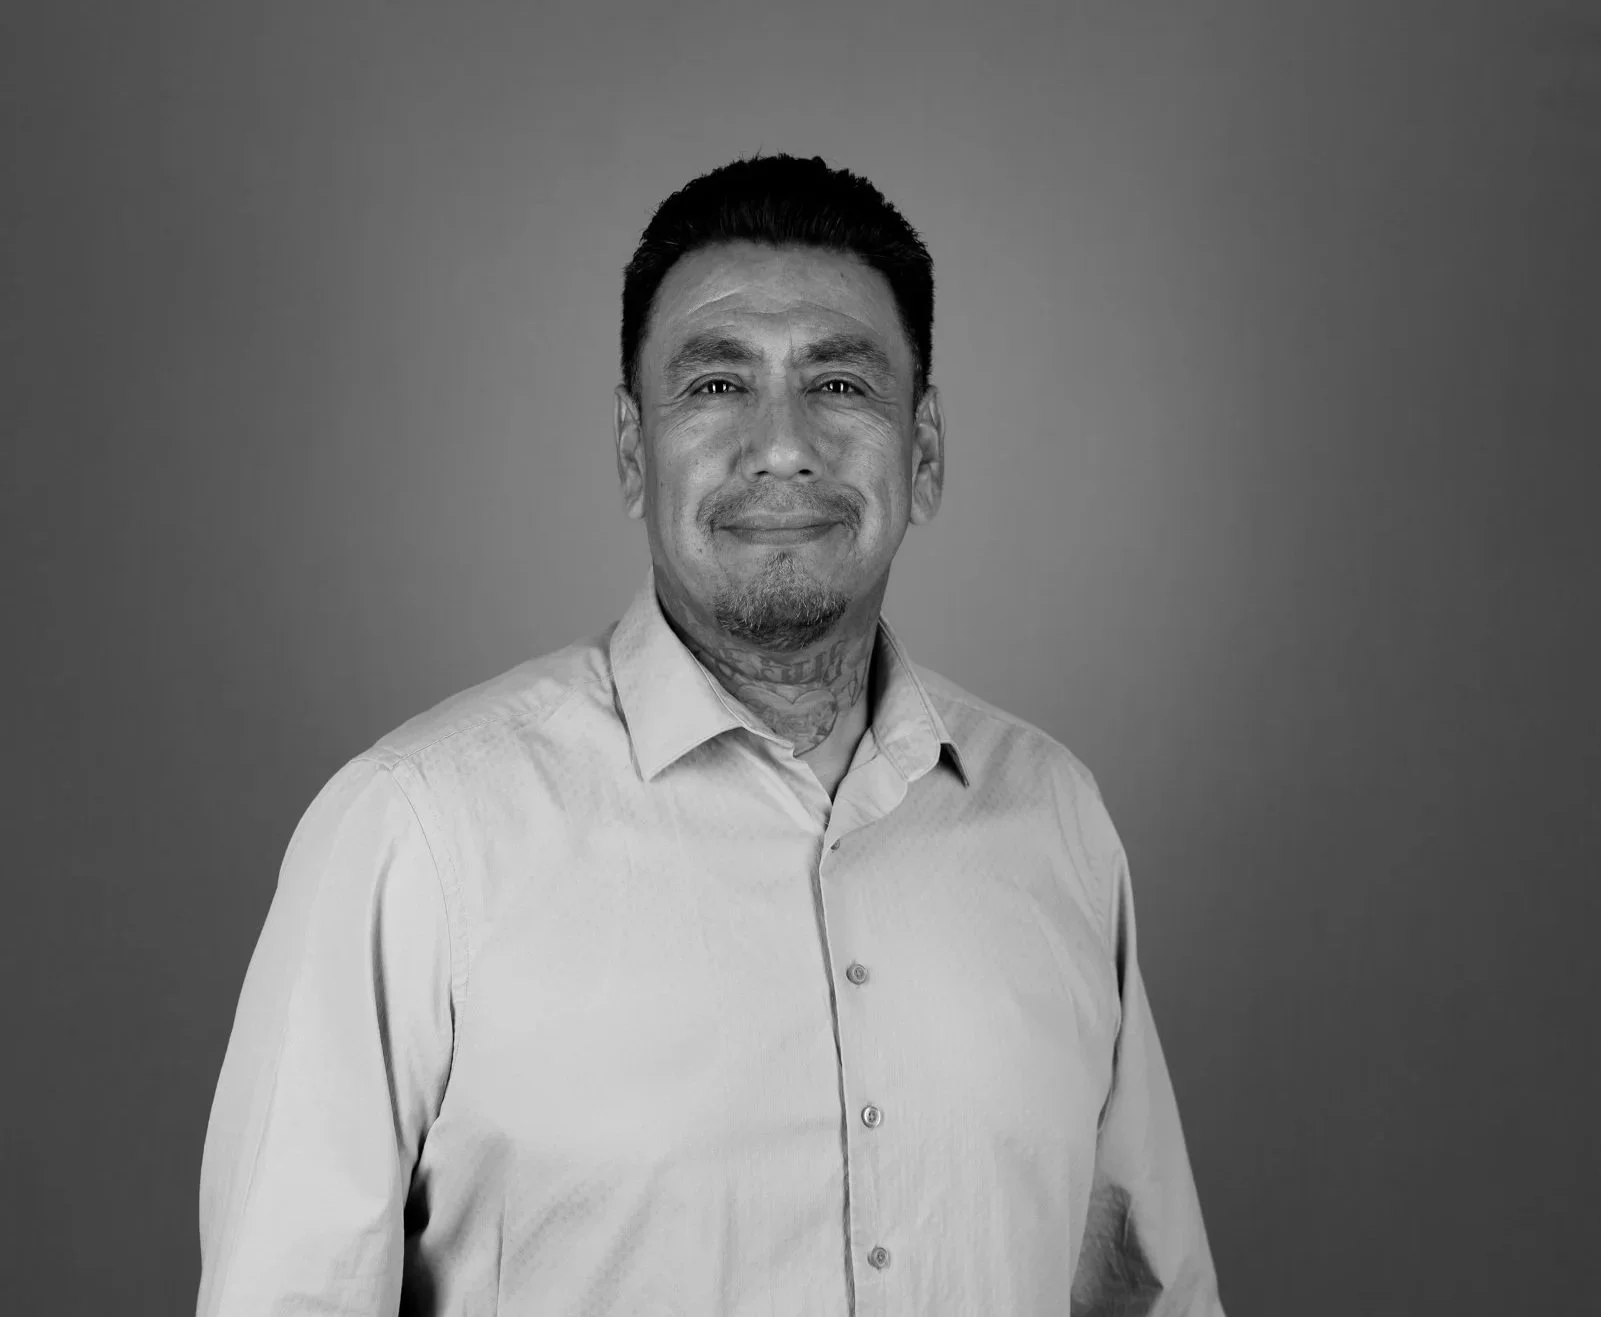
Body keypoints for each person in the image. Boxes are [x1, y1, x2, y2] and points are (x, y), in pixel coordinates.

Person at [197, 153, 1225, 1316]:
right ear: (633, 451)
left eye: (840, 384)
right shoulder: (416, 835)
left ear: (923, 450)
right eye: (716, 385)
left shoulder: (1054, 821)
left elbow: (1149, 1296)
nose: (781, 445)